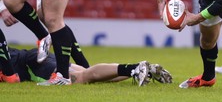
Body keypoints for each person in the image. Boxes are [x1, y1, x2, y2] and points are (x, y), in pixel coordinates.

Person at [0, 47, 172, 86]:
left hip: (34, 66)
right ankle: (139, 68)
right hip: (38, 56)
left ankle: (134, 69)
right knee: (89, 74)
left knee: (83, 78)